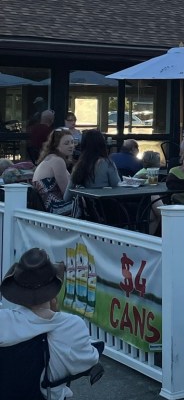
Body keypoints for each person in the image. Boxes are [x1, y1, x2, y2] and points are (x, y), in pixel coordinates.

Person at [0, 248, 99, 400]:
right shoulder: (72, 326)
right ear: (54, 289)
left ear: (17, 288)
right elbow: (88, 360)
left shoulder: (3, 321)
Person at [65, 129, 121, 207]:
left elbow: (66, 197)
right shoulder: (107, 164)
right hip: (106, 210)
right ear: (102, 144)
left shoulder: (78, 166)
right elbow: (117, 187)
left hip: (86, 212)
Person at [32, 129, 76, 216]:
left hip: (48, 208)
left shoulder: (51, 158)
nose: (71, 146)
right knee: (88, 205)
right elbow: (67, 194)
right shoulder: (57, 161)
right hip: (55, 208)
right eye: (66, 143)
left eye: (72, 142)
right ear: (56, 146)